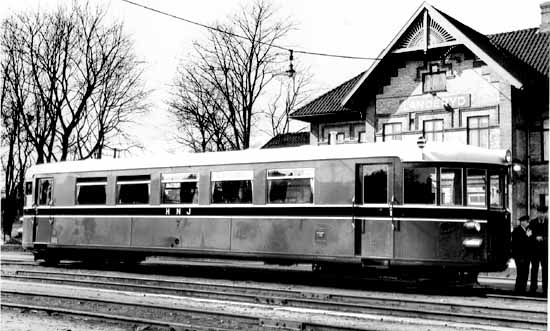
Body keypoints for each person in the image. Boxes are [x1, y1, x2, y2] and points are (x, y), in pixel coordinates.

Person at [529, 206, 548, 295]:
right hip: (535, 251)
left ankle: (546, 289)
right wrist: (535, 237)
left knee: (546, 271)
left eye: (543, 213)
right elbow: (528, 235)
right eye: (540, 213)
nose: (541, 215)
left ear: (546, 214)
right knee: (534, 270)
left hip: (545, 252)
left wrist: (543, 238)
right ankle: (533, 288)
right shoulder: (532, 223)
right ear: (537, 213)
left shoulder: (548, 223)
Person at [512, 215, 532, 294]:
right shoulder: (516, 231)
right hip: (519, 256)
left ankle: (523, 288)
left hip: (527, 256)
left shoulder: (528, 230)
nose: (527, 223)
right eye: (526, 222)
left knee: (525, 272)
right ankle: (518, 289)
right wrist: (527, 236)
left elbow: (530, 243)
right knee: (520, 272)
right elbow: (518, 243)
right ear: (522, 222)